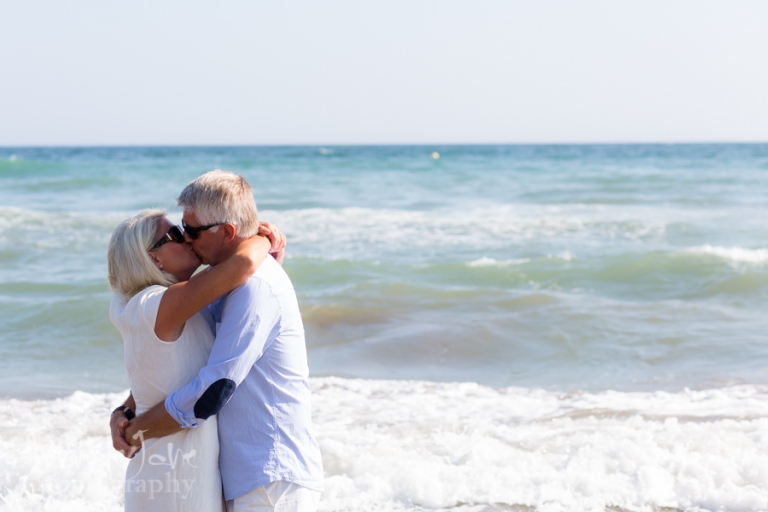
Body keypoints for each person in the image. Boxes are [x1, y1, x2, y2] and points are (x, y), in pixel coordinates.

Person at [113, 170, 324, 512]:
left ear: (226, 231)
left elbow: (215, 389)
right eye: (179, 232)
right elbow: (175, 367)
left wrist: (138, 430)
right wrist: (127, 409)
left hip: (270, 477)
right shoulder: (214, 292)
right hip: (241, 477)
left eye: (191, 231)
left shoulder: (256, 287)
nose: (187, 240)